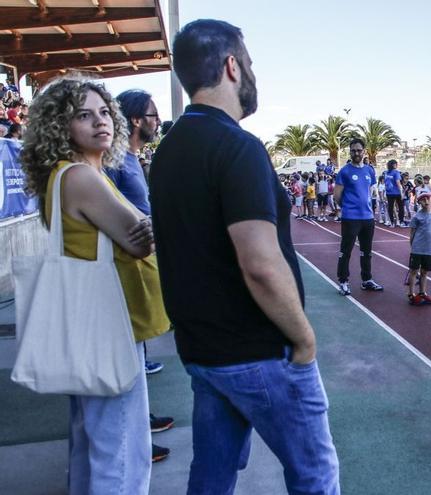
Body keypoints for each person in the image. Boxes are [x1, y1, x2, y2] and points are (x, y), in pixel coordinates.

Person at [149, 19, 339, 493]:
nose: (253, 74)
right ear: (232, 67)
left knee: (211, 477)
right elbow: (259, 262)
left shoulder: (168, 150)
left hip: (202, 351)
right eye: (250, 63)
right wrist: (304, 339)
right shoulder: (238, 146)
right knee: (315, 475)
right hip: (257, 352)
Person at [20, 77, 169, 494]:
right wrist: (157, 226)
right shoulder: (83, 178)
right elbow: (138, 240)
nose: (100, 121)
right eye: (83, 115)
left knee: (92, 444)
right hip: (108, 325)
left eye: (104, 112)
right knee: (121, 451)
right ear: (60, 126)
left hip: (89, 323)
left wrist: (147, 229)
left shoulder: (69, 175)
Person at [104, 88, 174, 462]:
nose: (157, 121)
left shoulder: (133, 159)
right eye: (152, 114)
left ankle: (141, 423)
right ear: (135, 120)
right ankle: (133, 439)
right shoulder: (115, 162)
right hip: (125, 272)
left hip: (141, 265)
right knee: (128, 359)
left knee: (137, 355)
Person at [334, 137, 384, 295]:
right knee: (346, 251)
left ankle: (367, 279)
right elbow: (337, 196)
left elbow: (369, 191)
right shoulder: (345, 171)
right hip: (351, 218)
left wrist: (366, 206)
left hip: (367, 218)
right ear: (350, 152)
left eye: (359, 150)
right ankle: (343, 281)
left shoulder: (369, 170)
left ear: (364, 152)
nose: (356, 153)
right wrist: (348, 207)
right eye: (353, 150)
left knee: (367, 251)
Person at [407, 191, 431, 305]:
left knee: (425, 272)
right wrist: (412, 247)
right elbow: (412, 233)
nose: (426, 201)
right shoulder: (417, 216)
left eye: (428, 198)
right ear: (419, 202)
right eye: (423, 199)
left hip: (429, 249)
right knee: (414, 271)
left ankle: (422, 293)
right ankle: (411, 294)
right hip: (417, 249)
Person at [385, 159, 405, 227]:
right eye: (396, 164)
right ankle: (401, 221)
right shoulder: (396, 172)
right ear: (393, 165)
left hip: (389, 192)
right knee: (400, 207)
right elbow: (398, 183)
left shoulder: (386, 172)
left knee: (390, 208)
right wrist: (402, 192)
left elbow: (386, 183)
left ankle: (392, 222)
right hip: (397, 192)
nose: (397, 165)